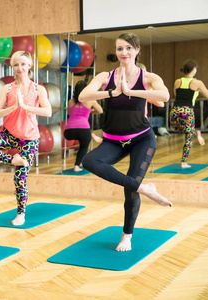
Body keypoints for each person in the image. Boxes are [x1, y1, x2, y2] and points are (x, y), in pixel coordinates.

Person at [79, 33, 173, 252]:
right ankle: (145, 188)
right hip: (113, 140)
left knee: (129, 191)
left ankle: (127, 236)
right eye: (120, 49)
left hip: (141, 139)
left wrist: (131, 91)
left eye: (128, 48)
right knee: (89, 161)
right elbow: (84, 96)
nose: (124, 53)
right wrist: (113, 92)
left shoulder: (148, 77)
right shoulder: (105, 76)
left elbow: (165, 95)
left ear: (137, 50)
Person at [0, 51, 52, 226]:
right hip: (8, 136)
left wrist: (25, 107)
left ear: (29, 65)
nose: (19, 68)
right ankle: (12, 160)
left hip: (29, 140)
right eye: (16, 64)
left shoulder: (38, 89)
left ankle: (21, 214)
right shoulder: (7, 88)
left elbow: (48, 112)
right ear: (12, 67)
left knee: (19, 179)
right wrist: (13, 107)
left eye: (22, 64)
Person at [170, 59, 208, 168]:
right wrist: (198, 90)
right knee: (188, 136)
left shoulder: (178, 81)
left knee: (177, 128)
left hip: (175, 110)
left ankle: (196, 132)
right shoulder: (197, 83)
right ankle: (183, 162)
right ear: (194, 69)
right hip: (187, 111)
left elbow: (175, 94)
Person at [64, 80, 103, 172]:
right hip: (83, 130)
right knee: (84, 146)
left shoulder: (71, 101)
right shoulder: (91, 100)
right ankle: (77, 166)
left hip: (69, 131)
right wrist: (90, 111)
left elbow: (69, 112)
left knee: (84, 133)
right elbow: (100, 110)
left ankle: (92, 135)